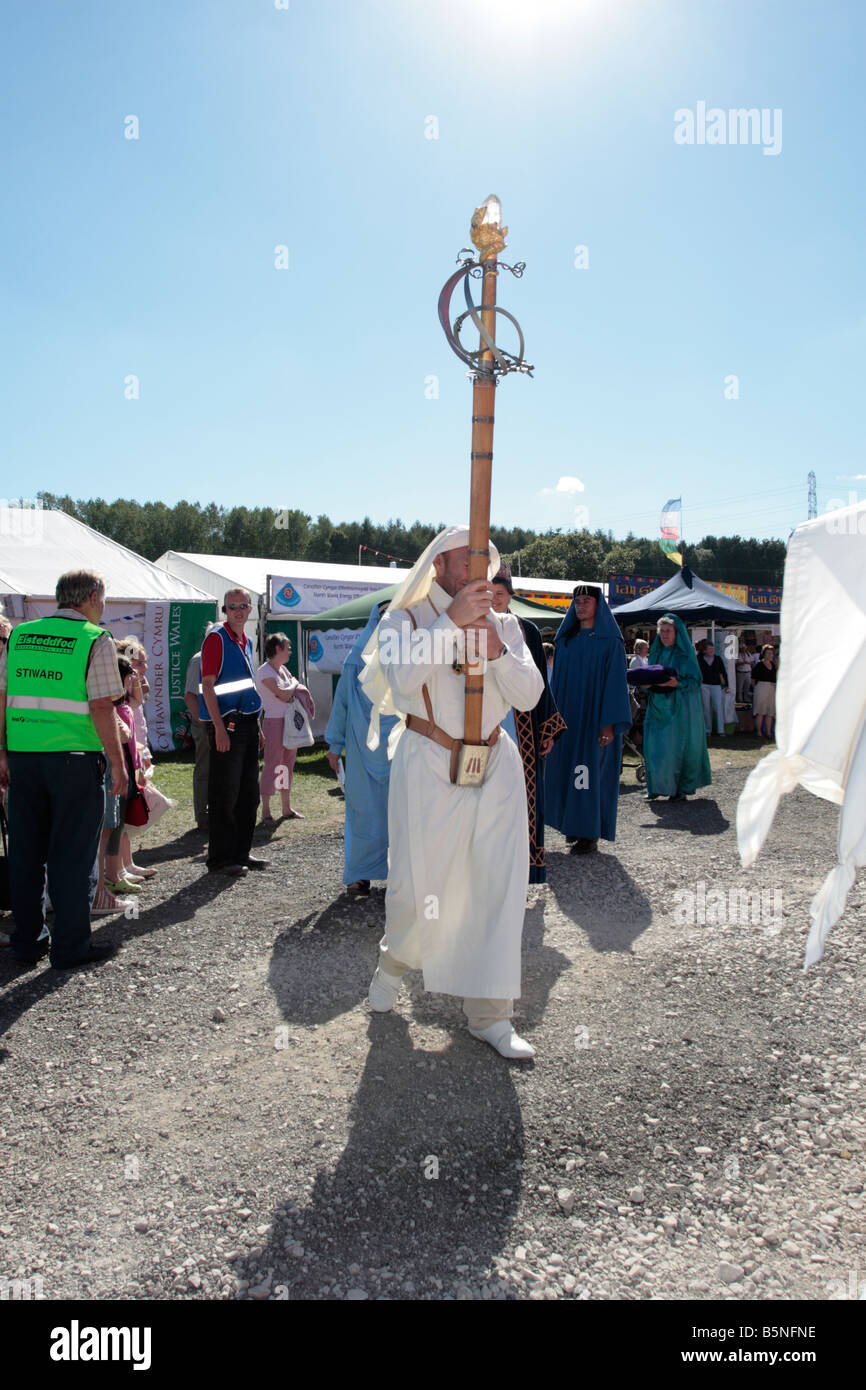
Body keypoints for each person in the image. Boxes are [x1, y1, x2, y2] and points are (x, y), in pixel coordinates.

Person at [360, 525, 543, 1059]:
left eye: (485, 559)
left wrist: (498, 650)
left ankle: (490, 1015)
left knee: (496, 885)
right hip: (429, 761)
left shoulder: (506, 623)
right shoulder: (402, 619)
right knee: (420, 885)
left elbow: (530, 697)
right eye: (468, 559)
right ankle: (394, 962)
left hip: (494, 764)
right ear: (438, 563)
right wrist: (451, 623)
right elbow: (401, 678)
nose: (478, 569)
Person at [0, 568, 125, 968]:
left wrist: (1, 751)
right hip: (74, 760)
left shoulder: (20, 635)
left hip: (23, 758)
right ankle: (71, 947)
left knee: (25, 853)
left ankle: (27, 941)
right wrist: (118, 763)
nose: (103, 607)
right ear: (91, 598)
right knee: (71, 856)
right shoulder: (95, 638)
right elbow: (101, 706)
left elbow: (2, 695)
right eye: (103, 599)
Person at [544, 584, 632, 855]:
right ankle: (570, 825)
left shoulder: (610, 643)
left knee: (588, 774)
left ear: (598, 605)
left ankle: (588, 832)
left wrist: (609, 724)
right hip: (567, 718)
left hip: (595, 719)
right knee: (565, 771)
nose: (580, 606)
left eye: (586, 601)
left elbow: (616, 685)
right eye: (577, 601)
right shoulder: (565, 641)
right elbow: (555, 684)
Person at [491, 566, 565, 883]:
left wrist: (547, 729)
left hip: (522, 724)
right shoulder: (471, 626)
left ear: (510, 596)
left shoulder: (528, 631)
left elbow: (541, 684)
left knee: (523, 792)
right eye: (490, 593)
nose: (495, 599)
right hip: (487, 722)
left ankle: (526, 864)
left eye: (501, 594)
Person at [325, 604, 398, 898]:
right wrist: (334, 744)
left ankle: (399, 875)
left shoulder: (406, 656)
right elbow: (343, 701)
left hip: (395, 747)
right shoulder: (357, 658)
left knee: (394, 813)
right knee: (363, 812)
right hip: (365, 746)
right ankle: (359, 876)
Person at [199, 589, 265, 876]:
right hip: (227, 724)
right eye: (232, 607)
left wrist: (257, 726)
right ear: (225, 610)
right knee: (225, 793)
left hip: (247, 723)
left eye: (242, 606)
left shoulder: (246, 641)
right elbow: (207, 686)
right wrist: (218, 728)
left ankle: (241, 852)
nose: (238, 611)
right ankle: (221, 859)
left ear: (250, 609)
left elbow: (246, 687)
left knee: (249, 793)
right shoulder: (217, 639)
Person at [643, 613, 711, 802]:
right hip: (656, 707)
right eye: (662, 631)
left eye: (668, 631)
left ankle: (677, 789)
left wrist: (677, 683)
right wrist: (645, 684)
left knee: (674, 749)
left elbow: (695, 682)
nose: (665, 634)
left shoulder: (684, 656)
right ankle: (655, 787)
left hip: (678, 710)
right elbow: (648, 678)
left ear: (676, 633)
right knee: (654, 748)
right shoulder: (655, 654)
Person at [256, 632, 314, 824]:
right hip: (274, 723)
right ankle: (265, 811)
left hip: (289, 722)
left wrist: (291, 689)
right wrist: (294, 684)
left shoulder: (282, 670)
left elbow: (287, 694)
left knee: (286, 764)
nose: (290, 652)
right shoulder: (264, 672)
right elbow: (283, 695)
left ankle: (286, 807)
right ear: (277, 649)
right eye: (287, 648)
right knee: (272, 764)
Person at [184, 628, 212, 831]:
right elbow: (190, 696)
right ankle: (202, 815)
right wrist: (203, 724)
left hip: (218, 723)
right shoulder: (198, 660)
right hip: (204, 724)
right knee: (204, 769)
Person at [697, 639, 729, 737]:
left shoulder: (718, 659)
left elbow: (723, 672)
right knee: (706, 708)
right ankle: (708, 730)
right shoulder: (699, 659)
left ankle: (721, 730)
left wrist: (726, 684)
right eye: (709, 649)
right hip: (704, 685)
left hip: (716, 685)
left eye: (712, 649)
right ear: (704, 650)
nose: (712, 651)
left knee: (718, 707)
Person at [751, 643, 777, 739]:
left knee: (770, 712)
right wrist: (756, 688)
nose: (770, 655)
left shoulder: (773, 665)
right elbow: (753, 679)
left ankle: (768, 732)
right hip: (761, 687)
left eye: (771, 653)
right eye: (768, 653)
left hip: (771, 688)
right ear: (764, 654)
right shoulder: (759, 665)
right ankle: (759, 732)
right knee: (760, 711)